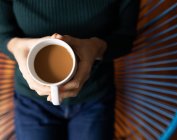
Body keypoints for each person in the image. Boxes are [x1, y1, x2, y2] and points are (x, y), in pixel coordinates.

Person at [0, 0, 139, 140]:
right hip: (32, 101)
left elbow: (126, 37)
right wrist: (14, 46)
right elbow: (2, 34)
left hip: (95, 96)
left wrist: (98, 47)